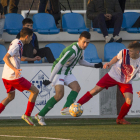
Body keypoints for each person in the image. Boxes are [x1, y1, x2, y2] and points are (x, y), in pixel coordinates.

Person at [34, 31, 103, 126]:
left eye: (87, 42)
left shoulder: (81, 49)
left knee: (77, 88)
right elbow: (58, 64)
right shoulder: (72, 51)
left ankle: (66, 108)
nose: (86, 44)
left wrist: (95, 65)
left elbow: (82, 62)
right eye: (84, 42)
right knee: (59, 95)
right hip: (58, 71)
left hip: (67, 72)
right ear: (79, 40)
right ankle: (40, 115)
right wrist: (50, 79)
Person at [77, 41, 140, 125]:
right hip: (113, 75)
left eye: (131, 51)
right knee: (95, 90)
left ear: (137, 52)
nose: (129, 52)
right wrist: (110, 63)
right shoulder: (124, 52)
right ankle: (77, 105)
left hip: (126, 81)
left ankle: (120, 119)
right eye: (129, 50)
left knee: (129, 100)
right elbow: (116, 58)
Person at [0, 27, 41, 126]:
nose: (31, 39)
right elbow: (5, 58)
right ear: (27, 36)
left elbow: (19, 58)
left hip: (6, 76)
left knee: (10, 96)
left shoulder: (17, 42)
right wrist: (15, 69)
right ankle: (27, 115)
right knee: (35, 91)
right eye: (31, 37)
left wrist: (33, 58)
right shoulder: (17, 44)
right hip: (13, 76)